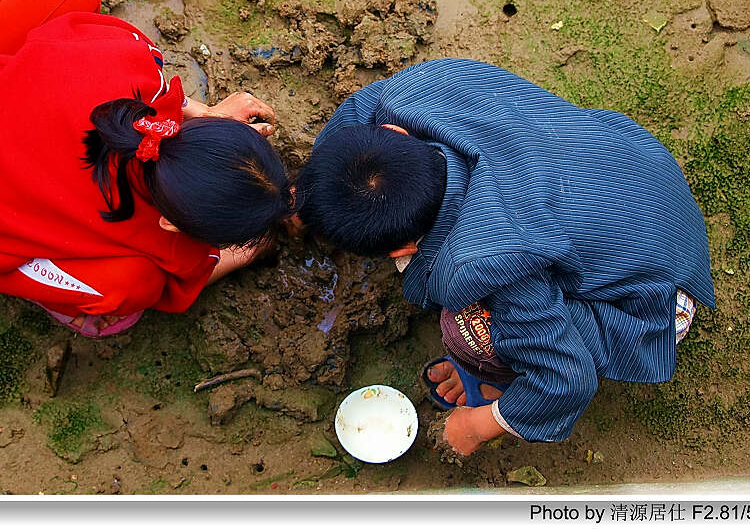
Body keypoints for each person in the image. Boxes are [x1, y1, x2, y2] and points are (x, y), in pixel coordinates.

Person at [296, 58, 715, 455]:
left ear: (402, 251)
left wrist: (479, 426)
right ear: (395, 133)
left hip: (658, 294)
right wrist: (311, 196)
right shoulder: (415, 93)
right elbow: (357, 113)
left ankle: (495, 379)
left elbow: (565, 379)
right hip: (628, 166)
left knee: (467, 326)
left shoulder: (489, 263)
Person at [0, 0, 293, 337]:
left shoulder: (129, 67)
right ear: (169, 223)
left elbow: (70, 41)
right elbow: (196, 270)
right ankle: (47, 290)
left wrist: (203, 113)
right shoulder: (156, 243)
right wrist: (250, 248)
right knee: (129, 293)